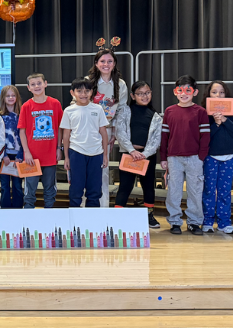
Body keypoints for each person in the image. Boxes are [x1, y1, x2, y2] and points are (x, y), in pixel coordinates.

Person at [160, 75, 211, 235]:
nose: (184, 94)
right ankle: (175, 221)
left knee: (195, 190)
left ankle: (194, 222)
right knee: (173, 190)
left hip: (194, 158)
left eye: (188, 90)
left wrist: (201, 156)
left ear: (194, 92)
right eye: (180, 90)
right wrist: (163, 157)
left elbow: (205, 135)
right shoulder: (169, 111)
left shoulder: (200, 112)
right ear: (175, 92)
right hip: (174, 157)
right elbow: (164, 136)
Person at [115, 81, 163, 230]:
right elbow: (120, 132)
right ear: (132, 96)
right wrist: (132, 151)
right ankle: (118, 215)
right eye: (140, 93)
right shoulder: (125, 111)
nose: (144, 96)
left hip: (146, 156)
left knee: (149, 187)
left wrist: (144, 154)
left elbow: (156, 139)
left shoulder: (155, 116)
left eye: (147, 92)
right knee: (125, 186)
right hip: (128, 154)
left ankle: (148, 215)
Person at [202, 81, 233, 235]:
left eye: (221, 92)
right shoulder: (204, 113)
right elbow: (204, 137)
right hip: (210, 158)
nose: (218, 95)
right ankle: (207, 221)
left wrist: (226, 121)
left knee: (225, 191)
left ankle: (224, 222)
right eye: (214, 92)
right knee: (208, 190)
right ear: (209, 95)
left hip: (229, 157)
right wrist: (216, 124)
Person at [88, 48, 130, 208]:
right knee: (89, 169)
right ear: (96, 63)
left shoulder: (120, 84)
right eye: (102, 61)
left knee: (103, 169)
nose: (106, 64)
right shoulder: (88, 81)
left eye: (109, 61)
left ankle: (102, 207)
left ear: (114, 64)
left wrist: (115, 133)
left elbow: (121, 111)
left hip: (109, 130)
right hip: (89, 131)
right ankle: (88, 206)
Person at [62, 78, 110, 209]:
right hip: (76, 153)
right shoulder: (68, 111)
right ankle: (74, 218)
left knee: (94, 189)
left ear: (92, 92)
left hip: (96, 154)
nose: (83, 94)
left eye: (87, 91)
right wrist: (66, 157)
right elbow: (66, 136)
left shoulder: (98, 109)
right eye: (79, 91)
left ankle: (91, 220)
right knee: (76, 187)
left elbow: (103, 133)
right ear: (72, 92)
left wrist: (105, 155)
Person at [19, 74, 64, 209]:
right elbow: (22, 131)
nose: (36, 86)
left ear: (45, 83)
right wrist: (27, 152)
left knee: (50, 190)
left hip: (50, 156)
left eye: (39, 83)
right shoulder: (26, 106)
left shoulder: (55, 103)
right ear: (28, 88)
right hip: (32, 157)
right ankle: (28, 218)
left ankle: (49, 217)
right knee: (29, 192)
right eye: (33, 84)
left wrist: (59, 148)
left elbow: (60, 127)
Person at [0, 85, 24, 209]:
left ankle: (18, 211)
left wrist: (20, 156)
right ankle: (5, 210)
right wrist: (3, 156)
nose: (10, 98)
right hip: (5, 156)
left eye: (13, 95)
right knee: (4, 186)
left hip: (18, 155)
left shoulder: (22, 115)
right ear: (3, 98)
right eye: (8, 95)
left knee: (18, 186)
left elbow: (25, 137)